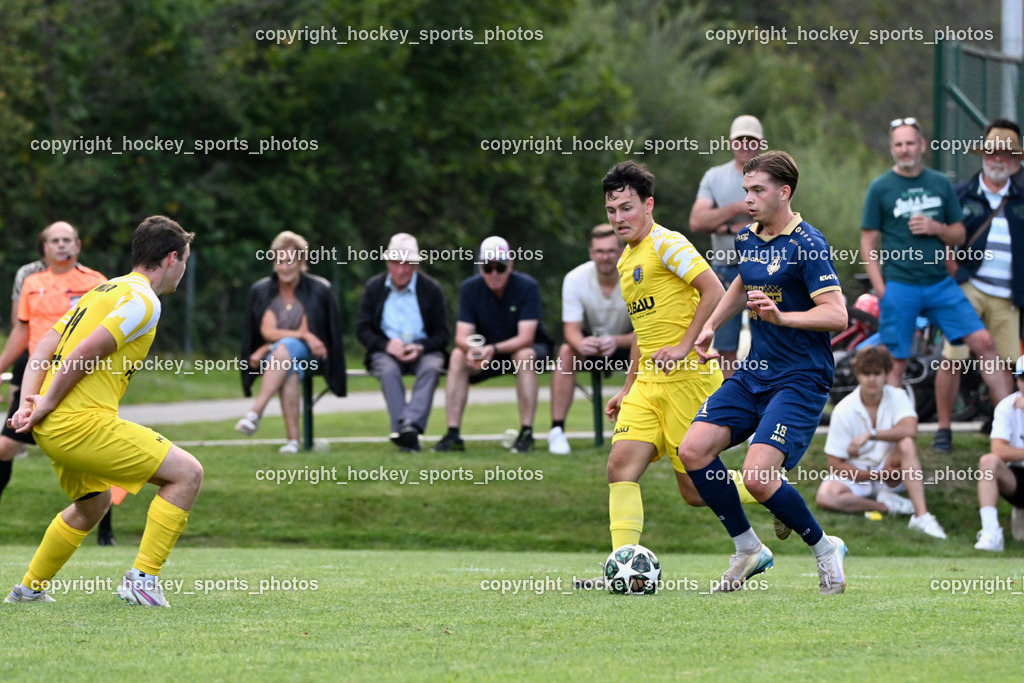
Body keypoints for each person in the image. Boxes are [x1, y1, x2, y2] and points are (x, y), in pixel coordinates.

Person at [576, 160, 760, 592]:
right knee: (620, 467)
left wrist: (683, 346)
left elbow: (715, 288)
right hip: (648, 386)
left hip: (689, 382)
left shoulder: (667, 243)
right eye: (611, 210)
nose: (618, 218)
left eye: (626, 208)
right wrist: (627, 386)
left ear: (648, 205)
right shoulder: (626, 261)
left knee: (695, 492)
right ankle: (619, 568)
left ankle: (769, 488)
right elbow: (644, 331)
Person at [5, 216, 202, 607]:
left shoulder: (102, 290)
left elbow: (42, 346)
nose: (183, 269)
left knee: (92, 505)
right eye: (185, 261)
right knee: (187, 474)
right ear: (172, 258)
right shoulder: (145, 300)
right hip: (78, 424)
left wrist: (31, 402)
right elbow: (84, 353)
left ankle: (28, 589)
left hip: (52, 427)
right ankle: (142, 579)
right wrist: (43, 402)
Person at [678, 150, 851, 595]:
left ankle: (824, 547)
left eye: (757, 190)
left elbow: (837, 316)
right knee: (693, 450)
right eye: (745, 191)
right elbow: (744, 279)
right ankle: (748, 548)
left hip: (800, 376)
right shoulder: (748, 238)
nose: (748, 199)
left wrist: (782, 318)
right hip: (755, 373)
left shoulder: (808, 244)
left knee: (757, 477)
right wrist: (713, 324)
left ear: (784, 192)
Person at [860, 117, 1011, 415]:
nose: (905, 150)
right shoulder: (880, 188)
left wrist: (935, 227)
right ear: (892, 148)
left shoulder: (939, 183)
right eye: (899, 144)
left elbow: (959, 233)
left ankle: (1011, 430)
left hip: (940, 284)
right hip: (900, 285)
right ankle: (890, 442)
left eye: (910, 143)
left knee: (984, 343)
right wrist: (881, 290)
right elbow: (868, 243)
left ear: (922, 146)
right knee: (896, 361)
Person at [0, 223, 119, 545]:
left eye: (68, 240)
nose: (62, 245)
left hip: (79, 376)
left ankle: (105, 533)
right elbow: (22, 332)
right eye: (55, 240)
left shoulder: (98, 283)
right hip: (37, 375)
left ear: (78, 246)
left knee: (91, 456)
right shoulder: (32, 282)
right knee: (5, 447)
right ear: (44, 248)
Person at [933, 121, 1024, 451]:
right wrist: (953, 276)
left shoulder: (1021, 197)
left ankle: (1008, 433)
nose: (998, 159)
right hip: (967, 286)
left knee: (1008, 364)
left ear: (1015, 161)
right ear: (983, 155)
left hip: (1009, 295)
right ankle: (943, 429)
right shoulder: (960, 194)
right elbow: (941, 238)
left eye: (1005, 154)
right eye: (992, 152)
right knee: (953, 357)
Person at [433, 236, 553, 453]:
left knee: (524, 355)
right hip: (486, 353)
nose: (494, 273)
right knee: (457, 357)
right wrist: (470, 349)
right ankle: (453, 434)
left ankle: (526, 432)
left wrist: (493, 349)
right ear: (480, 267)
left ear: (511, 264)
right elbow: (461, 335)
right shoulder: (469, 288)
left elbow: (526, 337)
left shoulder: (527, 286)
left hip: (523, 350)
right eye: (488, 268)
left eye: (500, 267)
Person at [816, 345, 947, 538]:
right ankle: (886, 506)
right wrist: (875, 476)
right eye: (866, 373)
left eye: (877, 373)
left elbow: (911, 429)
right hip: (861, 473)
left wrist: (871, 434)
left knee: (906, 443)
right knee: (826, 496)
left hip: (892, 469)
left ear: (886, 374)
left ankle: (922, 515)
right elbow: (834, 465)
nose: (871, 379)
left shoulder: (898, 396)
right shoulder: (843, 409)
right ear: (857, 374)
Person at [236, 231, 346, 453]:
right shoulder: (262, 291)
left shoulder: (318, 289)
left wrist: (296, 338)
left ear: (302, 262)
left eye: (290, 261)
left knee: (286, 348)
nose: (285, 267)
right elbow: (266, 330)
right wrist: (277, 343)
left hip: (314, 353)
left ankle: (255, 412)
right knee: (290, 367)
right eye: (280, 261)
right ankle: (293, 442)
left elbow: (311, 329)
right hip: (279, 356)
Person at [688, 115, 766, 378]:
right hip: (724, 269)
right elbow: (697, 220)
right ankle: (731, 406)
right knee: (724, 348)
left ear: (761, 143)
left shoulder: (772, 176)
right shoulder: (715, 176)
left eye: (751, 140)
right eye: (740, 139)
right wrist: (736, 209)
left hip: (765, 268)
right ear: (731, 142)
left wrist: (724, 225)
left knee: (768, 344)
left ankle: (765, 403)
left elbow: (774, 220)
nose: (745, 145)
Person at [356, 233, 449, 452]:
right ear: (388, 263)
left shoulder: (432, 289)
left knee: (432, 366)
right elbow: (362, 330)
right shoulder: (374, 288)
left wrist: (421, 347)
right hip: (385, 350)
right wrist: (387, 345)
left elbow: (443, 335)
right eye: (396, 263)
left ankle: (409, 426)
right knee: (388, 370)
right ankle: (407, 433)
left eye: (407, 264)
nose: (401, 271)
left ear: (416, 264)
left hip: (423, 350)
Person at [547, 224, 633, 454]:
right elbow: (571, 330)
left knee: (646, 346)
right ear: (591, 252)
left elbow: (646, 330)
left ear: (621, 251)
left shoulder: (636, 276)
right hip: (589, 346)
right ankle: (556, 431)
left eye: (611, 251)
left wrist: (616, 341)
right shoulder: (574, 279)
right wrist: (582, 344)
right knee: (566, 352)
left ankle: (639, 430)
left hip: (627, 345)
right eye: (599, 251)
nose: (605, 257)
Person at [973, 355, 1024, 551]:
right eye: (1022, 379)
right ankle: (991, 532)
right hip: (1018, 479)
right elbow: (998, 450)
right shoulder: (1007, 406)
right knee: (988, 462)